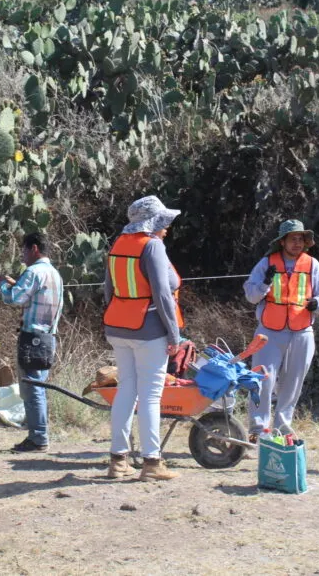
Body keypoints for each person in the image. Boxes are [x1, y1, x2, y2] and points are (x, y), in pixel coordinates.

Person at [103, 195, 193, 482]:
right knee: (152, 396)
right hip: (149, 327)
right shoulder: (152, 246)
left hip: (117, 326)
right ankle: (152, 462)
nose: (166, 228)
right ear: (153, 221)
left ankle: (118, 461)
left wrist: (116, 315)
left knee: (126, 390)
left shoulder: (118, 243)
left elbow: (108, 290)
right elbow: (163, 295)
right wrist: (174, 334)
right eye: (164, 222)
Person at [243, 219, 319, 443]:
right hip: (269, 332)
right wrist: (265, 282)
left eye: (301, 239)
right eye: (293, 239)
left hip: (302, 332)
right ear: (282, 241)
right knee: (262, 380)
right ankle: (258, 429)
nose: (297, 243)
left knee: (293, 382)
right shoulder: (266, 263)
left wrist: (317, 305)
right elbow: (251, 296)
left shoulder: (312, 265)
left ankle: (283, 427)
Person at [0, 232, 64, 453]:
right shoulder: (54, 273)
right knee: (38, 387)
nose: (22, 255)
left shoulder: (33, 272)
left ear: (34, 248)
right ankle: (38, 435)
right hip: (47, 338)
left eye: (24, 249)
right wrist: (17, 284)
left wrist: (1, 285)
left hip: (32, 338)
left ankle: (38, 439)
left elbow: (13, 298)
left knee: (32, 389)